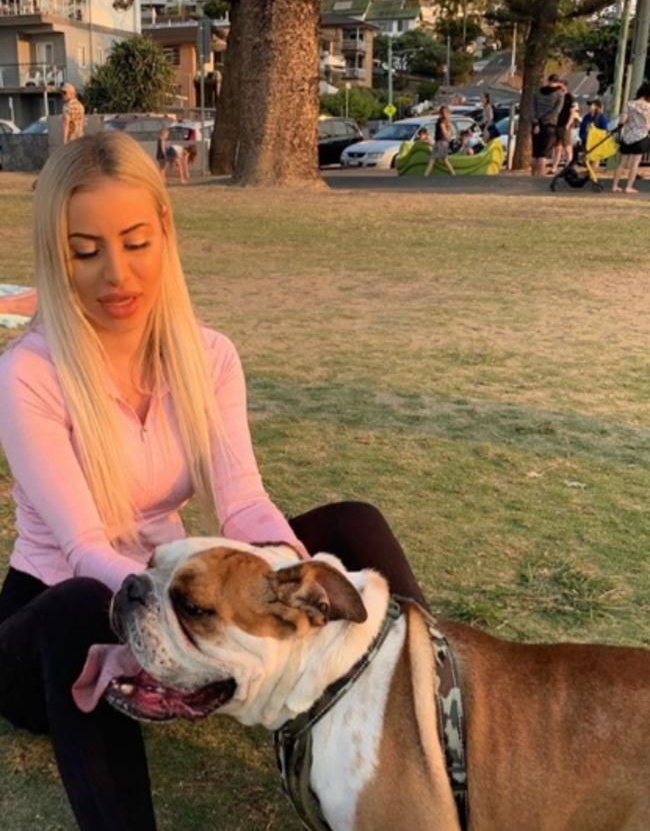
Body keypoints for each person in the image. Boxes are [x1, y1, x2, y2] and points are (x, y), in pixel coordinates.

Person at [0, 131, 423, 831]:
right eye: (86, 250)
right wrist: (169, 611)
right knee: (81, 602)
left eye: (135, 241)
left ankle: (425, 712)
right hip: (52, 621)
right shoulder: (31, 374)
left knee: (353, 522)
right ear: (57, 255)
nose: (117, 274)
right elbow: (80, 546)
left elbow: (245, 501)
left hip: (180, 596)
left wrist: (292, 581)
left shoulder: (209, 355)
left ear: (166, 230)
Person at [611, 81, 650, 193]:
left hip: (627, 136)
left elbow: (622, 120)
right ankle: (628, 187)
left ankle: (615, 185)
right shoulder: (648, 107)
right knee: (635, 163)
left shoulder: (629, 104)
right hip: (641, 136)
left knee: (622, 162)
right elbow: (648, 124)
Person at [531, 73, 564, 177]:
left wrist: (536, 122)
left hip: (536, 125)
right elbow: (556, 111)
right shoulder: (559, 94)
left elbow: (532, 108)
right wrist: (545, 120)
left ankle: (533, 174)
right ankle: (539, 176)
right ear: (557, 82)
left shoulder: (538, 92)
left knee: (535, 153)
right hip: (549, 125)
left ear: (548, 80)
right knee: (543, 153)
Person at [551, 82, 579, 175]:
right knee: (557, 147)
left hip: (564, 125)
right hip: (557, 124)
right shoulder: (557, 97)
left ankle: (569, 165)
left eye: (561, 87)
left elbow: (573, 112)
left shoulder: (570, 98)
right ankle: (555, 166)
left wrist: (568, 124)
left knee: (567, 146)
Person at [425, 105, 455, 176]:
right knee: (444, 160)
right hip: (444, 143)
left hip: (440, 142)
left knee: (433, 159)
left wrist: (446, 136)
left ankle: (425, 175)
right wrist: (448, 137)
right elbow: (449, 133)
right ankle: (453, 174)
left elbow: (444, 132)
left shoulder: (441, 121)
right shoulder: (447, 121)